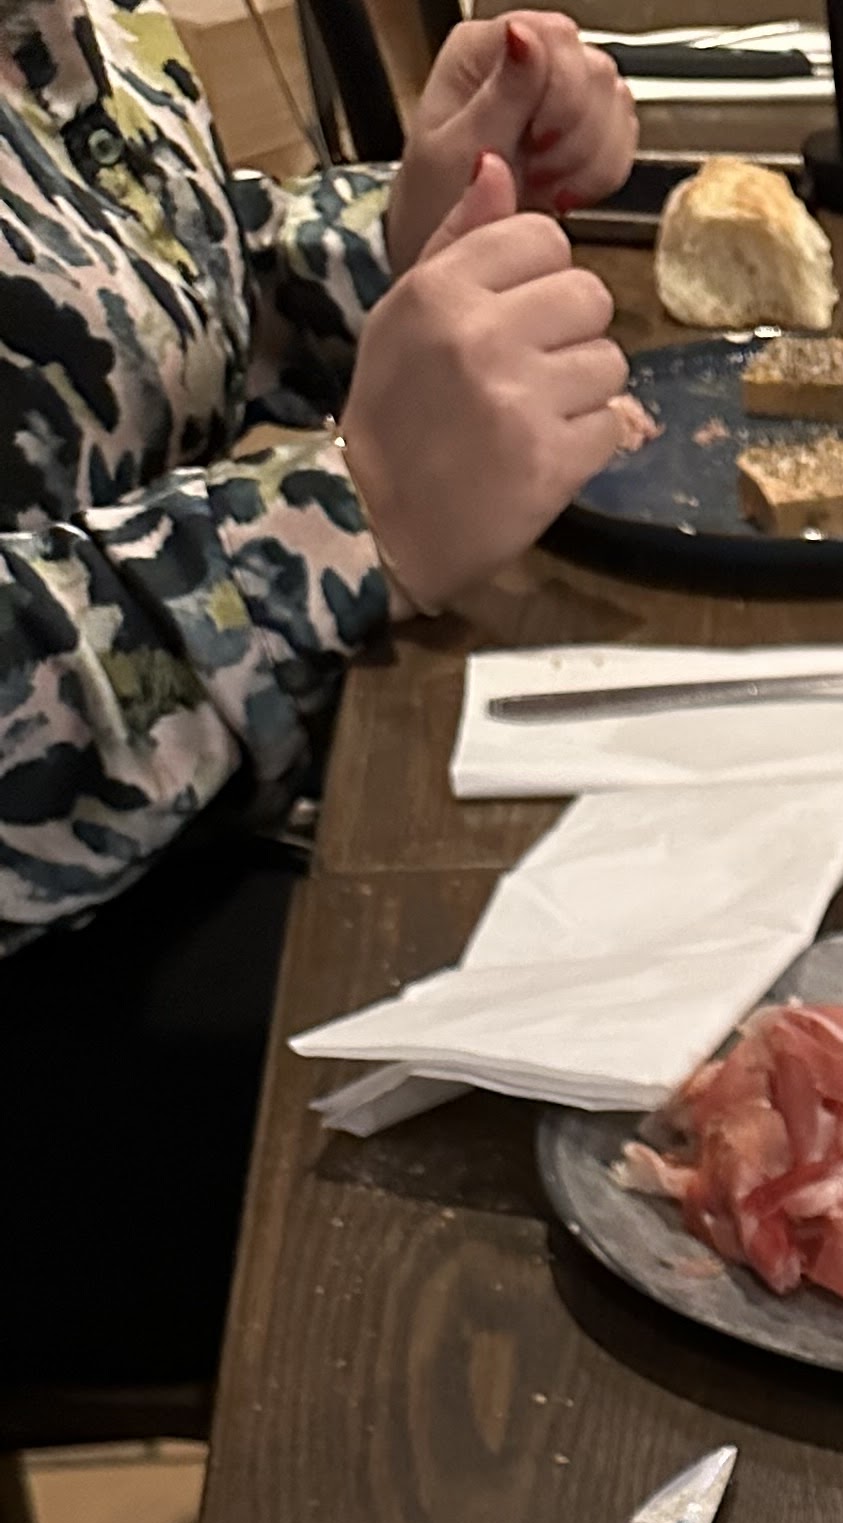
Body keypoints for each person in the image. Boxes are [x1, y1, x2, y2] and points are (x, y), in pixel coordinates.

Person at [1, 2, 639, 1374]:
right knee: (605, 1126)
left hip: (200, 826)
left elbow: (136, 321)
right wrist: (345, 517)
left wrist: (412, 245)